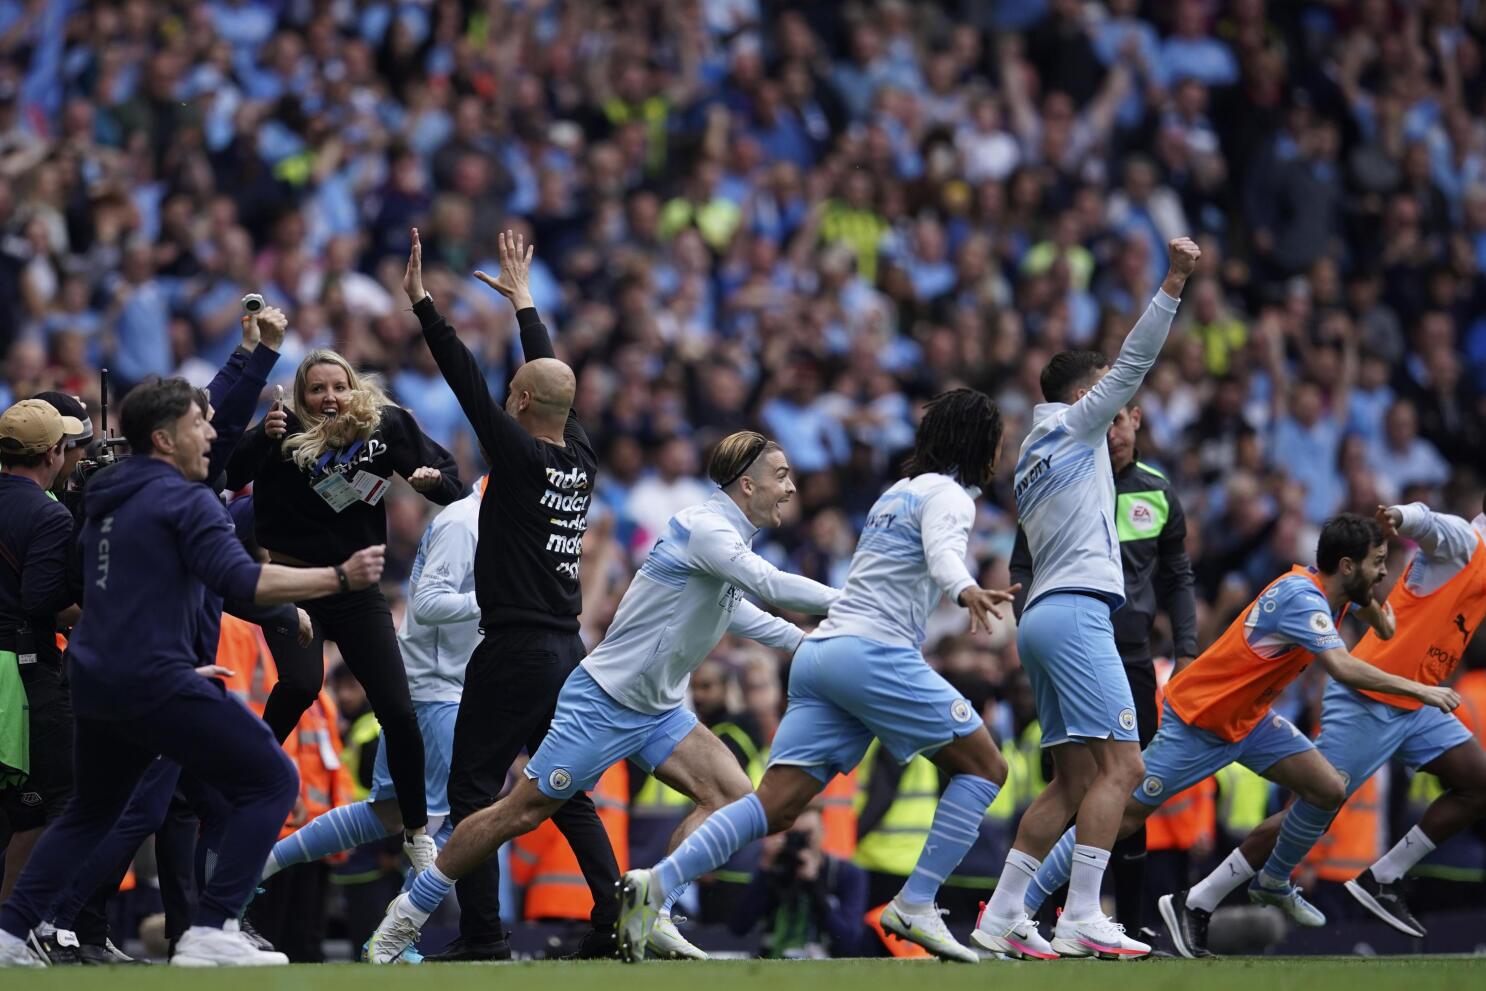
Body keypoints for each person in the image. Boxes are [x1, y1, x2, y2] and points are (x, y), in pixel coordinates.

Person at [364, 427, 839, 963]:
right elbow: (770, 585)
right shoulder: (704, 527)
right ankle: (408, 912)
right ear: (746, 485)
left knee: (734, 800)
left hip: (659, 711)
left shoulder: (728, 540)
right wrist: (855, 605)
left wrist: (805, 641)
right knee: (517, 812)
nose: (792, 488)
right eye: (781, 476)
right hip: (605, 702)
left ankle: (653, 908)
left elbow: (741, 609)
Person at [616, 388, 1019, 964]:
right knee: (987, 767)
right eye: (998, 442)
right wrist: (965, 589)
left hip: (820, 655)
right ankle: (918, 903)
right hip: (874, 656)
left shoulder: (894, 494)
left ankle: (655, 886)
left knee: (773, 807)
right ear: (979, 443)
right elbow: (943, 554)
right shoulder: (950, 497)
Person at [0, 376, 386, 968]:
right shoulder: (185, 500)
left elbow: (90, 587)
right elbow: (245, 582)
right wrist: (339, 577)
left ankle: (9, 935)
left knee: (91, 813)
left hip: (95, 677)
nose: (210, 432)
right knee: (271, 781)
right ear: (163, 437)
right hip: (154, 678)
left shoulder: (104, 495)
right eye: (196, 424)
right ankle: (212, 927)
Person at [1018, 514, 1460, 955]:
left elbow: (1383, 626)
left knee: (1328, 788)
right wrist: (1421, 689)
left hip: (1249, 722)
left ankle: (1272, 881)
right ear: (1346, 566)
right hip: (1199, 721)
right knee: (1124, 815)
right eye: (1377, 562)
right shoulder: (1302, 599)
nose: (1385, 572)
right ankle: (1020, 907)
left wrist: (1374, 607)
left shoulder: (1335, 592)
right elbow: (1343, 668)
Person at [387, 228, 624, 960]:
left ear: (519, 400)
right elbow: (553, 384)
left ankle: (484, 933)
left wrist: (424, 304)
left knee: (472, 786)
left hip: (515, 646)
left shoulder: (517, 456)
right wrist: (526, 304)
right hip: (566, 648)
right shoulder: (578, 458)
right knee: (564, 788)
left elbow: (463, 378)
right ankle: (617, 918)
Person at [975, 237, 1200, 960]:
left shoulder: (1034, 456)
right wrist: (1172, 280)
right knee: (1123, 769)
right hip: (1077, 612)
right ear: (1084, 397)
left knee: (1073, 778)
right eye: (1109, 394)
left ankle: (1002, 913)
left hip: (1042, 615)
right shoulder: (1075, 429)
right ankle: (1080, 913)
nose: (1122, 403)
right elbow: (1135, 359)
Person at [1163, 501, 1486, 957]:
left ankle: (1384, 877)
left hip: (1416, 699)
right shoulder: (1467, 541)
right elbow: (1431, 523)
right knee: (1315, 805)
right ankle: (1197, 901)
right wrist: (1400, 516)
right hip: (1369, 698)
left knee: (1479, 785)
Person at [226, 337, 463, 875]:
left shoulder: (383, 428)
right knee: (303, 686)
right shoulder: (281, 431)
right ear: (302, 398)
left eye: (338, 386)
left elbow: (451, 482)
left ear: (353, 388)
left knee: (399, 712)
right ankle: (241, 784)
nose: (329, 397)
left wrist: (432, 481)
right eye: (317, 389)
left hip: (357, 591)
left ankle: (417, 831)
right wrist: (262, 437)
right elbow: (229, 475)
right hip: (292, 584)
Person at [260, 471, 488, 958]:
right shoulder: (464, 523)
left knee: (390, 815)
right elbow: (425, 604)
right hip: (437, 687)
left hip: (441, 683)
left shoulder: (486, 520)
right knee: (460, 816)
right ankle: (399, 933)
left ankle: (258, 866)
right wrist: (497, 602)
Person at [1010, 401, 1197, 935]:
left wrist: (1186, 653)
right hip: (1073, 642)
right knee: (1071, 782)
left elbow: (1178, 578)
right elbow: (1022, 564)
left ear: (1136, 417)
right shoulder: (1068, 479)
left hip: (1132, 657)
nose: (1112, 431)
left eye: (1120, 419)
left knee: (1129, 790)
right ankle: (1045, 919)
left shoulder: (1158, 492)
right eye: (1105, 419)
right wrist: (1033, 617)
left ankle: (1130, 923)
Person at [0, 399, 86, 900]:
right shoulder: (47, 514)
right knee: (63, 797)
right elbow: (41, 599)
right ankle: (25, 927)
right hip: (23, 676)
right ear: (54, 452)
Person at [729, 806, 867, 958]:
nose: (801, 842)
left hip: (825, 960)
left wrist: (814, 884)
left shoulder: (845, 873)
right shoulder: (775, 868)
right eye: (793, 835)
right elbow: (738, 927)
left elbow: (848, 940)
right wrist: (765, 870)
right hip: (773, 957)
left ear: (823, 832)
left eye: (807, 834)